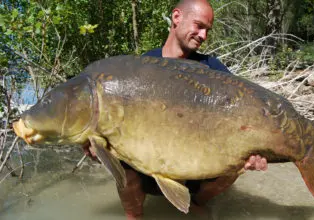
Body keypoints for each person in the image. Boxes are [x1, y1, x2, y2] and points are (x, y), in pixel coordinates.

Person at [84, 1, 267, 219]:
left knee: (236, 166)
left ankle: (196, 202)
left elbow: (241, 113)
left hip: (196, 167)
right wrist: (98, 149)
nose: (203, 35)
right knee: (124, 170)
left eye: (207, 30)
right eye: (199, 25)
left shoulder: (213, 69)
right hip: (148, 168)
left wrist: (255, 149)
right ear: (177, 17)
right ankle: (134, 214)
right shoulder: (142, 66)